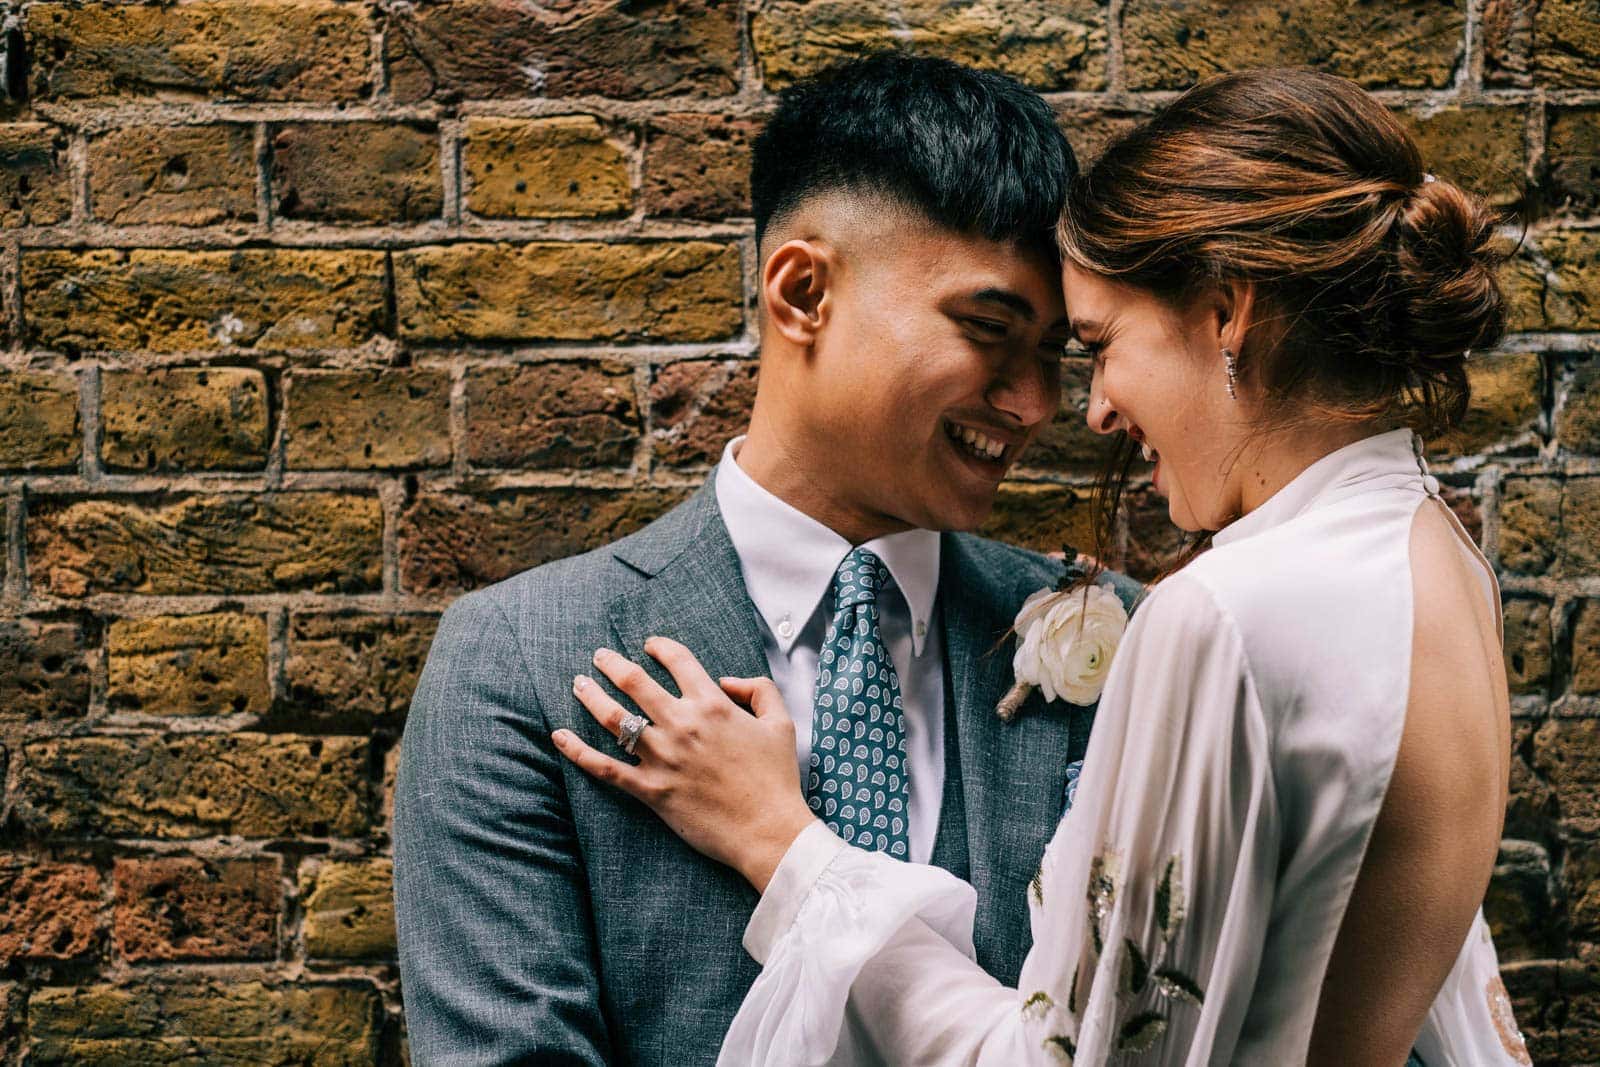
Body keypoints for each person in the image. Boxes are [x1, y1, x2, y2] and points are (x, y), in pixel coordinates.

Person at [554, 68, 1533, 1065]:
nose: (1086, 408)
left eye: (1096, 345)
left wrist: (784, 843)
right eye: (997, 334)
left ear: (1226, 314)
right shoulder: (1443, 559)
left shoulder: (1221, 613)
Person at [393, 53, 1140, 1065]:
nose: (1035, 402)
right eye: (988, 329)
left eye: (1053, 352)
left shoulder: (1123, 641)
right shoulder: (518, 659)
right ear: (802, 292)